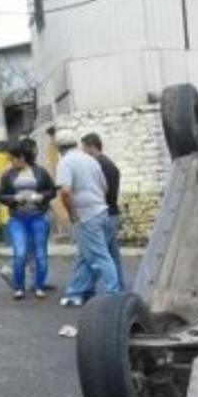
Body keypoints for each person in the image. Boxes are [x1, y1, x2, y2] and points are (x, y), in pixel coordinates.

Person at [55, 128, 119, 307]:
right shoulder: (90, 160)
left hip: (86, 215)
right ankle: (76, 292)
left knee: (100, 256)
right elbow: (104, 187)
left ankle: (113, 294)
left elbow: (65, 192)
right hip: (101, 210)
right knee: (85, 255)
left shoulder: (66, 162)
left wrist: (72, 214)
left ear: (58, 148)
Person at [0, 138, 56, 300]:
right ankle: (19, 287)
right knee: (20, 253)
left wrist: (41, 196)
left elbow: (52, 191)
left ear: (22, 157)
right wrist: (14, 198)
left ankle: (38, 286)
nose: (11, 162)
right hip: (18, 219)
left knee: (41, 254)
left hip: (38, 217)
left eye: (13, 159)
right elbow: (0, 196)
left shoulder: (40, 172)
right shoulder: (8, 175)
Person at [80, 132, 125, 291]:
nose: (83, 153)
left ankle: (84, 289)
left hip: (103, 213)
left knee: (96, 255)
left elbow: (99, 192)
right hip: (112, 212)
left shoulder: (98, 165)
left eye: (84, 148)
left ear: (91, 147)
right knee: (112, 255)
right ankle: (119, 288)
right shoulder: (109, 164)